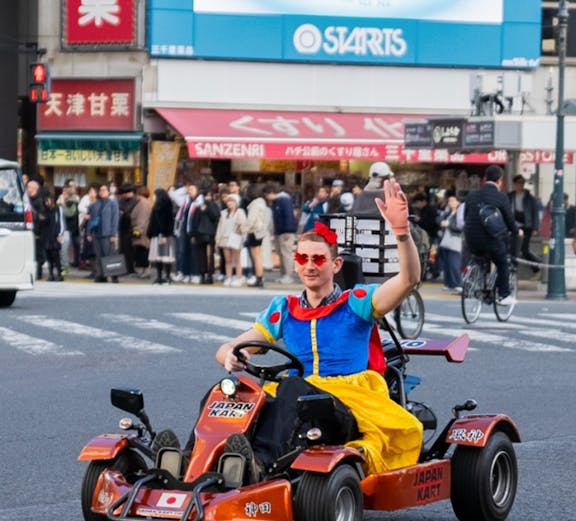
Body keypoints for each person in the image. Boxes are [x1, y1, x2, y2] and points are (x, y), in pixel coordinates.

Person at [214, 179, 423, 478]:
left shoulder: (357, 302)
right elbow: (229, 347)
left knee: (292, 386)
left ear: (335, 264)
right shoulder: (284, 309)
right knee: (229, 394)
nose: (309, 265)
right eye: (302, 258)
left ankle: (259, 464)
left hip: (347, 402)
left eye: (318, 259)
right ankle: (191, 461)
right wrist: (229, 356)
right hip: (298, 401)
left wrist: (401, 234)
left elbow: (408, 280)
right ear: (296, 264)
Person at [464, 165, 519, 306]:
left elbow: (465, 217)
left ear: (484, 179)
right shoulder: (501, 197)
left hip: (471, 240)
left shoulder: (472, 195)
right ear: (500, 181)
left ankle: (479, 283)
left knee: (481, 256)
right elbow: (509, 219)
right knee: (502, 262)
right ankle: (504, 295)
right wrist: (517, 231)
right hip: (490, 240)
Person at [262, 183, 298, 284]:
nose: (267, 198)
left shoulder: (284, 200)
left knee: (287, 253)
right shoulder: (276, 202)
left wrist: (288, 230)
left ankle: (289, 275)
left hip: (286, 231)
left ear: (271, 193)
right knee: (281, 254)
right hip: (279, 231)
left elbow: (288, 216)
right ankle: (283, 275)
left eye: (267, 195)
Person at [507, 175, 541, 274]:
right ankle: (513, 268)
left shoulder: (529, 198)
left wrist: (535, 227)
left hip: (526, 226)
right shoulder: (510, 196)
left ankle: (536, 265)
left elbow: (535, 213)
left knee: (524, 249)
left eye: (521, 183)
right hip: (513, 225)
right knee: (512, 248)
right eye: (518, 183)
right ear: (514, 184)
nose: (519, 185)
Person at [87, 183, 120, 283]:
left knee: (109, 254)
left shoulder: (113, 203)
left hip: (108, 233)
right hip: (97, 233)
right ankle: (100, 275)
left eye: (104, 190)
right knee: (98, 255)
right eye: (100, 190)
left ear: (108, 192)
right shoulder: (95, 204)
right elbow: (91, 219)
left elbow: (115, 219)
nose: (102, 192)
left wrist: (113, 233)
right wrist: (89, 232)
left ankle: (113, 275)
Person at [215, 193, 247, 287]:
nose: (229, 203)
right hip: (225, 238)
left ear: (236, 203)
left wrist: (241, 229)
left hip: (236, 238)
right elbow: (220, 227)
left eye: (232, 201)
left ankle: (238, 277)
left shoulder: (240, 212)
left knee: (237, 260)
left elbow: (243, 224)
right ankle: (228, 277)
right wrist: (217, 239)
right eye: (228, 201)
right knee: (227, 260)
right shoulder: (224, 213)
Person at [147, 188, 176, 284]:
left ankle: (167, 276)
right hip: (156, 234)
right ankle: (159, 276)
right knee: (158, 257)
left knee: (165, 256)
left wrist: (165, 234)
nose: (154, 197)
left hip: (164, 235)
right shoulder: (157, 205)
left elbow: (168, 222)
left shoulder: (167, 206)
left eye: (155, 195)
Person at [241, 183, 268, 287]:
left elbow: (251, 220)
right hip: (260, 231)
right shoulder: (262, 202)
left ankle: (259, 278)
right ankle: (259, 277)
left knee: (256, 256)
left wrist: (244, 229)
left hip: (254, 231)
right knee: (257, 256)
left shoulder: (255, 204)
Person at [437, 194, 463, 293]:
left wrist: (449, 225)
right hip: (445, 240)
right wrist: (442, 222)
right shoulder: (447, 213)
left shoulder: (460, 214)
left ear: (458, 202)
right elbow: (438, 220)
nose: (450, 203)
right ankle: (448, 284)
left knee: (454, 264)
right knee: (447, 264)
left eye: (453, 200)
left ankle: (457, 284)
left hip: (455, 241)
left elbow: (460, 228)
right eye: (449, 201)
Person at [130, 185, 152, 279]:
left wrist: (138, 229)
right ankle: (144, 270)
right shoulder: (144, 203)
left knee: (143, 251)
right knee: (141, 251)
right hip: (143, 230)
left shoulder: (143, 204)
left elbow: (141, 218)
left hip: (142, 232)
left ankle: (146, 270)